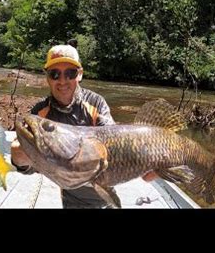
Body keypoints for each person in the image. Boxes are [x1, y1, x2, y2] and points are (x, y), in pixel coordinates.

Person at [11, 44, 158, 208]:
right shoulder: (39, 114)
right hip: (73, 199)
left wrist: (150, 163)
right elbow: (35, 166)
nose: (62, 80)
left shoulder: (96, 103)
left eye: (70, 73)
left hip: (105, 193)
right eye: (54, 74)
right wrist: (20, 162)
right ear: (47, 77)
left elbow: (114, 144)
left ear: (79, 74)